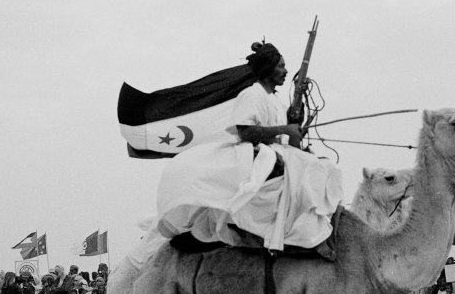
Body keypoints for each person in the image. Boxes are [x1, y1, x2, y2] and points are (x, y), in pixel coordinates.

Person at [139, 42, 343, 267]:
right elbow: (245, 131)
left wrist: (295, 124)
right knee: (311, 170)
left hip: (279, 151)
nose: (286, 71)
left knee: (324, 167)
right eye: (281, 66)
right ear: (267, 68)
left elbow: (291, 141)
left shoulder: (276, 101)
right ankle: (304, 236)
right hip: (257, 153)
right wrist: (284, 130)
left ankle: (312, 232)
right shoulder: (251, 94)